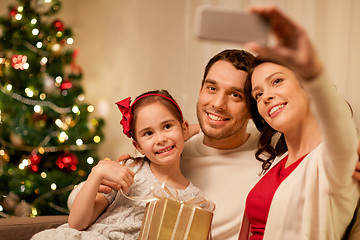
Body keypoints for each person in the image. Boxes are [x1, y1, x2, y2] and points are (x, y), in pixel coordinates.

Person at [239, 5, 360, 240]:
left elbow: (341, 136)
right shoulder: (278, 161)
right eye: (258, 94)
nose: (266, 97)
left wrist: (314, 73)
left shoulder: (333, 161)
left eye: (277, 81)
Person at [31, 90, 204, 240]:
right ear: (138, 146)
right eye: (148, 133)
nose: (161, 139)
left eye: (167, 126)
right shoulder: (129, 169)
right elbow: (76, 223)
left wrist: (198, 130)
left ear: (184, 129)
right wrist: (97, 174)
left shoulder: (194, 200)